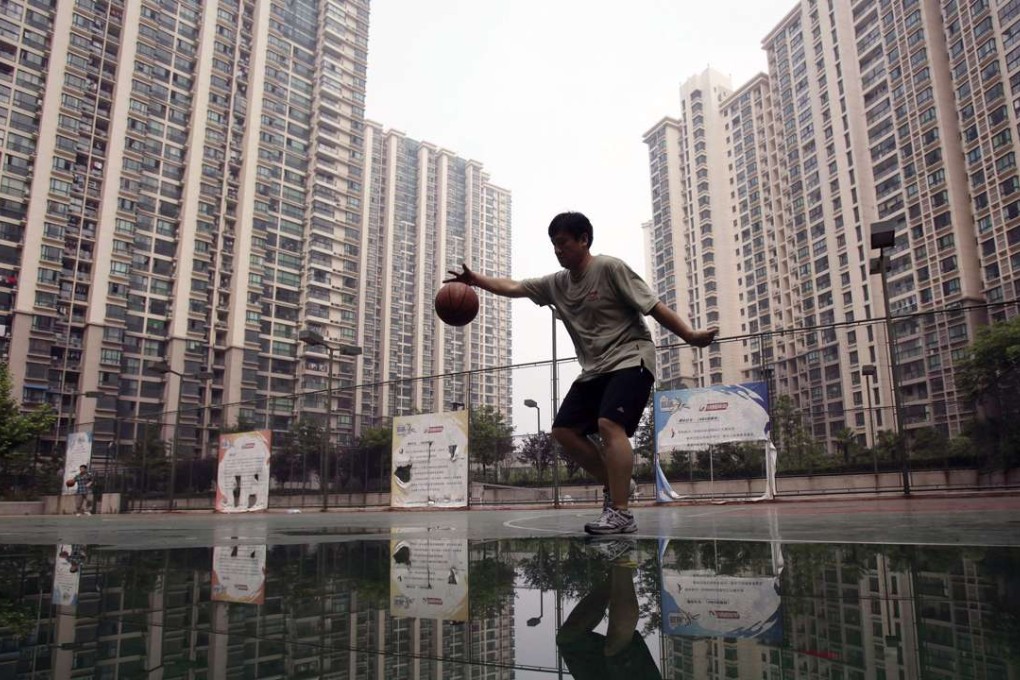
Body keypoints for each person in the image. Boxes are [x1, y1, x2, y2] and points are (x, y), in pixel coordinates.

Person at [445, 211, 716, 534]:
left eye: (563, 243)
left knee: (609, 424)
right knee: (563, 431)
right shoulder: (556, 284)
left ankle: (621, 512)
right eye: (554, 245)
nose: (558, 250)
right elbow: (515, 286)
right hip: (595, 369)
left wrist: (690, 336)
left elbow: (653, 306)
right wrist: (476, 281)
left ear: (583, 239)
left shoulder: (609, 268)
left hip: (632, 357)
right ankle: (619, 484)